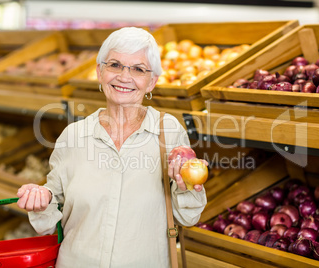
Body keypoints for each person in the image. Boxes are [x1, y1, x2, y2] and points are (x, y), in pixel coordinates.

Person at [17, 27, 207, 268]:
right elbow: (50, 213)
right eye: (115, 65)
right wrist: (40, 200)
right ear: (99, 71)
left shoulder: (168, 130)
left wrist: (188, 185)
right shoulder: (73, 136)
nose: (124, 77)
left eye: (138, 69)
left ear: (151, 82)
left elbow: (188, 217)